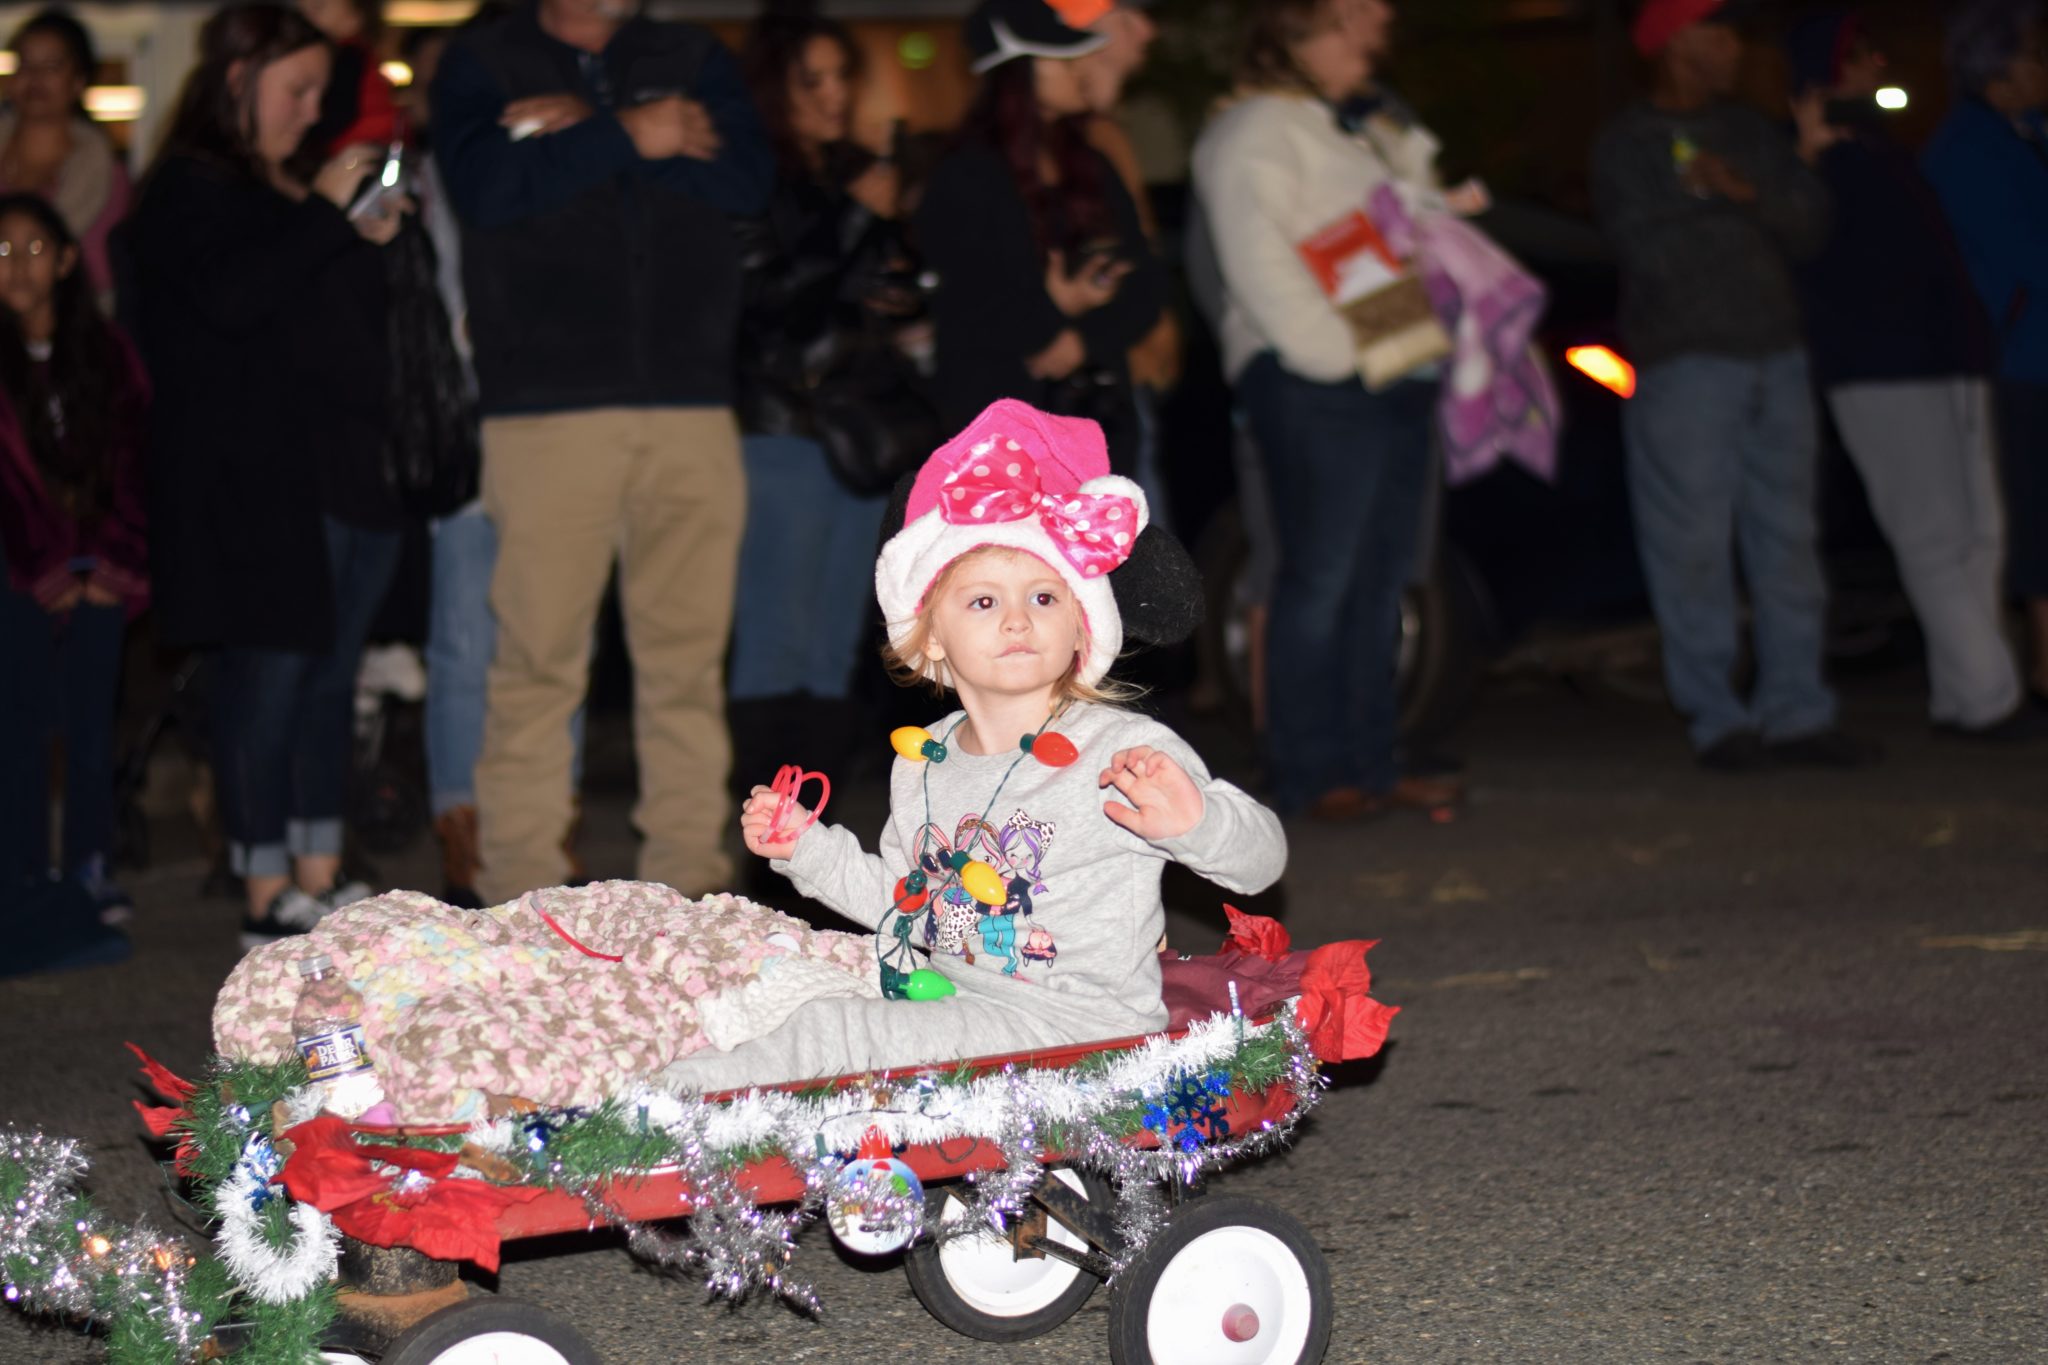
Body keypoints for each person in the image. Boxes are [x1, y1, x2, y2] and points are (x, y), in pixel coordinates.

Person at [664, 399, 1282, 1088]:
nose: (1018, 619)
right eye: (983, 601)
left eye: (1045, 598)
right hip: (966, 1002)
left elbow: (1262, 861)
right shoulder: (924, 759)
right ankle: (677, 1072)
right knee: (790, 988)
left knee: (835, 1029)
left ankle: (664, 1108)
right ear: (929, 636)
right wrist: (805, 848)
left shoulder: (1122, 747)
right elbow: (907, 908)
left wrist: (1198, 822)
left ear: (1083, 626)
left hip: (1079, 1025)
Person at [430, 0, 773, 903]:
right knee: (538, 663)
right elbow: (486, 191)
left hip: (694, 402)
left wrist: (580, 138)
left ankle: (690, 898)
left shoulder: (691, 54)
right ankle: (523, 897)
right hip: (545, 410)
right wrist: (633, 132)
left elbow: (744, 180)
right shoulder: (483, 60)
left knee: (687, 666)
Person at [129, 2, 412, 947]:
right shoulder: (184, 186)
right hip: (231, 482)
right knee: (266, 679)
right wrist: (328, 215)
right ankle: (261, 897)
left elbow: (302, 305)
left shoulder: (269, 185)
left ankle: (308, 873)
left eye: (319, 93)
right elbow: (235, 299)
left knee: (313, 675)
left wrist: (353, 232)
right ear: (238, 80)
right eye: (296, 91)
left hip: (300, 471)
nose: (309, 110)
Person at [1189, 0, 1463, 818]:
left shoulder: (1345, 126)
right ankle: (1311, 772)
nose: (1375, 34)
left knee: (1382, 581)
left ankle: (1374, 763)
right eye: (1354, 22)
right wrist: (1334, 357)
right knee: (1324, 575)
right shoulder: (1250, 131)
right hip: (1322, 376)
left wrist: (1401, 145)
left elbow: (1413, 225)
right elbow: (1259, 266)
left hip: (1389, 360)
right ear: (1298, 32)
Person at [1589, 0, 1872, 771]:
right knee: (1692, 546)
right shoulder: (1628, 142)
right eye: (1716, 31)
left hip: (1776, 357)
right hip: (1687, 364)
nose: (1733, 47)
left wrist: (1744, 192)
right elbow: (1641, 248)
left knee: (1789, 540)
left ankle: (1797, 711)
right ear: (1671, 42)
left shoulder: (1749, 131)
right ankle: (1717, 718)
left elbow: (1810, 224)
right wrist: (1714, 200)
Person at [1787, 11, 2032, 742]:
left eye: (1872, 50)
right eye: (1855, 54)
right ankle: (1992, 697)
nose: (1875, 64)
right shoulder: (1810, 157)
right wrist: (1805, 152)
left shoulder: (1887, 151)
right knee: (1931, 534)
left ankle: (1965, 696)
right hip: (1878, 368)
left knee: (1981, 533)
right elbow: (1803, 245)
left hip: (1951, 357)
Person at [726, 5, 916, 783]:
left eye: (843, 77)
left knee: (836, 638)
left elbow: (866, 285)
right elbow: (760, 302)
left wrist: (896, 291)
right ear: (776, 86)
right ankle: (764, 842)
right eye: (814, 80)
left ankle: (809, 835)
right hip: (782, 426)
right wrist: (854, 220)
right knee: (777, 636)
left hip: (854, 427)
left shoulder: (850, 171)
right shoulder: (747, 174)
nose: (834, 95)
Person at [912, 0, 1165, 475]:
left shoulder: (1091, 166)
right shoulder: (965, 177)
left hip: (1100, 422)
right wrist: (1056, 313)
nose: (1082, 69)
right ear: (1021, 71)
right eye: (1065, 59)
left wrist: (1082, 339)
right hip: (1002, 439)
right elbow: (970, 305)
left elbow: (1147, 283)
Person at [0, 192, 148, 924]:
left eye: (32, 249)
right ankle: (26, 869)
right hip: (20, 581)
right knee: (21, 728)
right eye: (1, 252)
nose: (16, 267)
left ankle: (92, 863)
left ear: (65, 260)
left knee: (91, 726)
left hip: (100, 577)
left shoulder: (108, 351)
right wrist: (43, 569)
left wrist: (109, 562)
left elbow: (135, 460)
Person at [1923, 0, 2048, 712]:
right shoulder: (1967, 146)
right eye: (2031, 53)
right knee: (2029, 518)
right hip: (2017, 363)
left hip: (2033, 353)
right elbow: (2023, 253)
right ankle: (2037, 669)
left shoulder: (2027, 133)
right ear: (1997, 67)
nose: (2041, 67)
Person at [0, 10, 131, 309]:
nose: (36, 78)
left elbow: (111, 280)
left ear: (78, 81)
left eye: (52, 66)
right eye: (25, 64)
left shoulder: (106, 178)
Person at [296, 0, 401, 153]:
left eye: (319, 7)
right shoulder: (360, 52)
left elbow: (334, 120)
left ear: (355, 13)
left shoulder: (348, 56)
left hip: (359, 153)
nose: (309, 18)